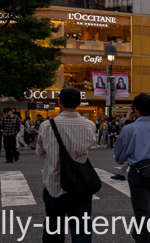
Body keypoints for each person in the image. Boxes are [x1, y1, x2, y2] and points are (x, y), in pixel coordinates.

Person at [38, 87, 98, 243]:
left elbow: (41, 153)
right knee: (81, 227)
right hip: (81, 182)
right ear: (78, 103)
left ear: (59, 102)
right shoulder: (89, 125)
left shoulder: (46, 125)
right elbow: (90, 145)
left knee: (54, 226)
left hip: (54, 182)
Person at [114, 94, 150, 243]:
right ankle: (137, 235)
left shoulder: (129, 129)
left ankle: (144, 238)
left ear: (136, 109)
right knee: (149, 212)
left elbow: (119, 157)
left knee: (142, 212)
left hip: (138, 173)